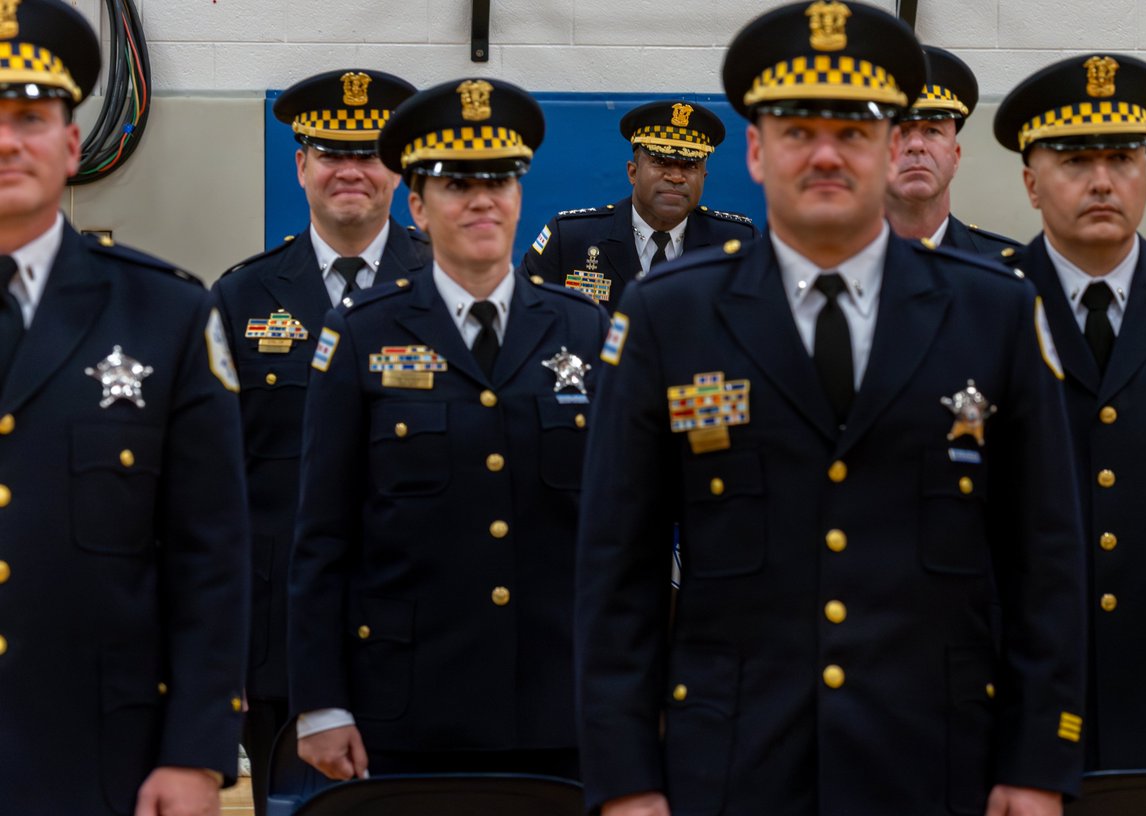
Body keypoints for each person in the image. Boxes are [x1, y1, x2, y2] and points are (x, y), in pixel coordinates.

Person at [575, 3, 1087, 815]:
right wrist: (626, 780)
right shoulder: (669, 315)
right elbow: (618, 569)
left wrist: (1036, 766)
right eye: (797, 130)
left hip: (938, 766)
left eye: (852, 131)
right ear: (755, 150)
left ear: (888, 146)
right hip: (731, 772)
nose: (824, 154)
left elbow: (1044, 561)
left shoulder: (994, 311)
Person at [289, 77, 609, 782]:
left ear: (519, 196)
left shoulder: (585, 330)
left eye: (499, 181)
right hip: (408, 709)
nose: (482, 200)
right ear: (418, 206)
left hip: (560, 706)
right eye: (457, 184)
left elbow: (620, 533)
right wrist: (320, 702)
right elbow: (322, 535)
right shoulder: (361, 334)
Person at [0, 2, 251, 814]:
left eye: (30, 118)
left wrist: (197, 753)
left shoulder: (165, 314)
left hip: (101, 761)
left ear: (72, 145)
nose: (7, 142)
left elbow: (210, 553)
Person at [211, 67, 425, 813]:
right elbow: (213, 490)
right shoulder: (240, 297)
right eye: (332, 153)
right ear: (300, 165)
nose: (351, 170)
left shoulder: (448, 283)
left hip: (425, 626)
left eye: (370, 154)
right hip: (279, 642)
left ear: (397, 169)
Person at [994, 54, 1146, 798]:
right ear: (1031, 182)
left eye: (1123, 159)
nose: (1104, 182)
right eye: (1076, 161)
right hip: (1021, 709)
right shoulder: (979, 312)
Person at [520, 99, 757, 312]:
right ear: (633, 173)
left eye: (690, 166)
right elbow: (524, 317)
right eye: (661, 161)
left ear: (703, 178)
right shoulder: (570, 238)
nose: (676, 177)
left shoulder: (740, 244)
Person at [886, 45, 1020, 255]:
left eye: (932, 131)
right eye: (901, 132)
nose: (916, 145)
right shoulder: (837, 260)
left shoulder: (1003, 266)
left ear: (956, 157)